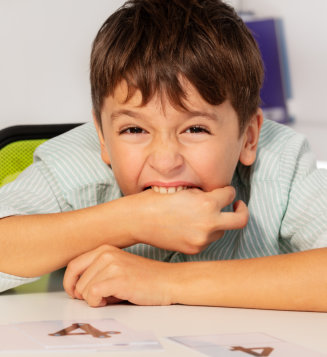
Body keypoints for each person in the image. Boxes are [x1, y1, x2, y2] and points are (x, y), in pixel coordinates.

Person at [0, 0, 327, 311]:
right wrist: (129, 220)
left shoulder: (280, 162)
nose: (166, 160)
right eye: (134, 130)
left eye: (196, 129)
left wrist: (165, 282)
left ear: (249, 137)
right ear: (101, 136)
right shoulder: (74, 166)